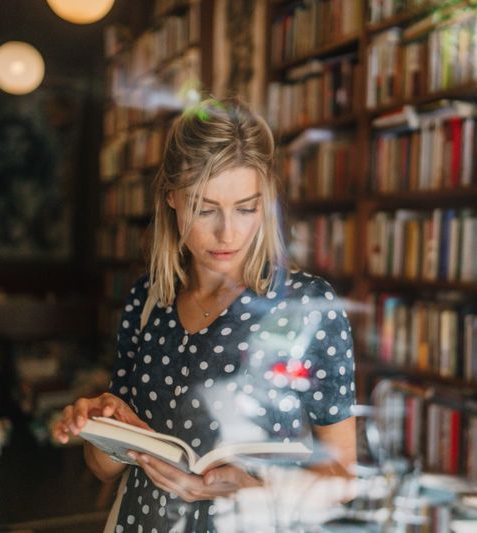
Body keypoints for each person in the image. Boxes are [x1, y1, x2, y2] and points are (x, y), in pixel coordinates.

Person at [53, 97, 356, 532]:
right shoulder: (148, 299)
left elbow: (342, 480)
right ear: (172, 198)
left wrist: (251, 488)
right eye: (204, 208)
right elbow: (105, 469)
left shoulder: (307, 306)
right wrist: (102, 425)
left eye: (246, 208)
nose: (227, 233)